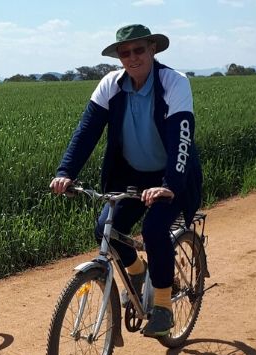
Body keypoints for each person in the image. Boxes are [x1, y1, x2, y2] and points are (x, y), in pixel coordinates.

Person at [50, 24, 202, 337]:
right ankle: (137, 272)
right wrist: (66, 172)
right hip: (131, 175)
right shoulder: (111, 85)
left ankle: (162, 306)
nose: (132, 57)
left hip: (171, 174)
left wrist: (170, 184)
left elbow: (181, 138)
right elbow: (86, 131)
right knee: (105, 229)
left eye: (139, 50)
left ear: (152, 50)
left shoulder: (174, 82)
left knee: (154, 228)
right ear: (119, 57)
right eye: (125, 52)